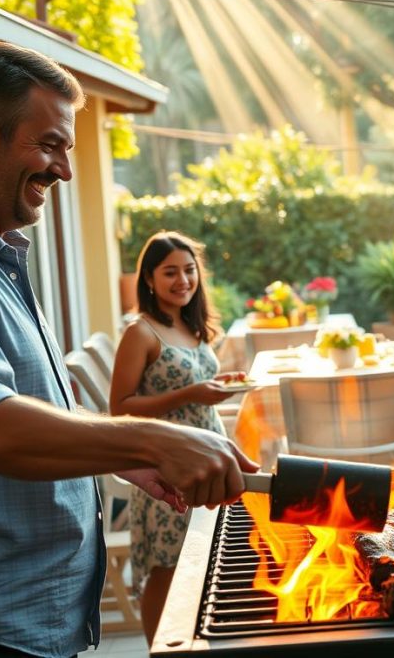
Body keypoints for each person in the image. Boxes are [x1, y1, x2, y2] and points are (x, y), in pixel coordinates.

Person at [0, 37, 258, 658]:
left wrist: (115, 457)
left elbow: (24, 406)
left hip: (20, 622)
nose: (64, 169)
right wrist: (152, 437)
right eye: (50, 144)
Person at [109, 231, 238, 643]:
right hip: (167, 469)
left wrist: (216, 387)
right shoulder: (141, 332)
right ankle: (159, 650)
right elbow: (121, 407)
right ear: (148, 279)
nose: (182, 280)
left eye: (189, 270)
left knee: (205, 559)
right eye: (170, 273)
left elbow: (196, 386)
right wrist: (192, 393)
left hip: (207, 460)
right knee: (168, 568)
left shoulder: (190, 323)